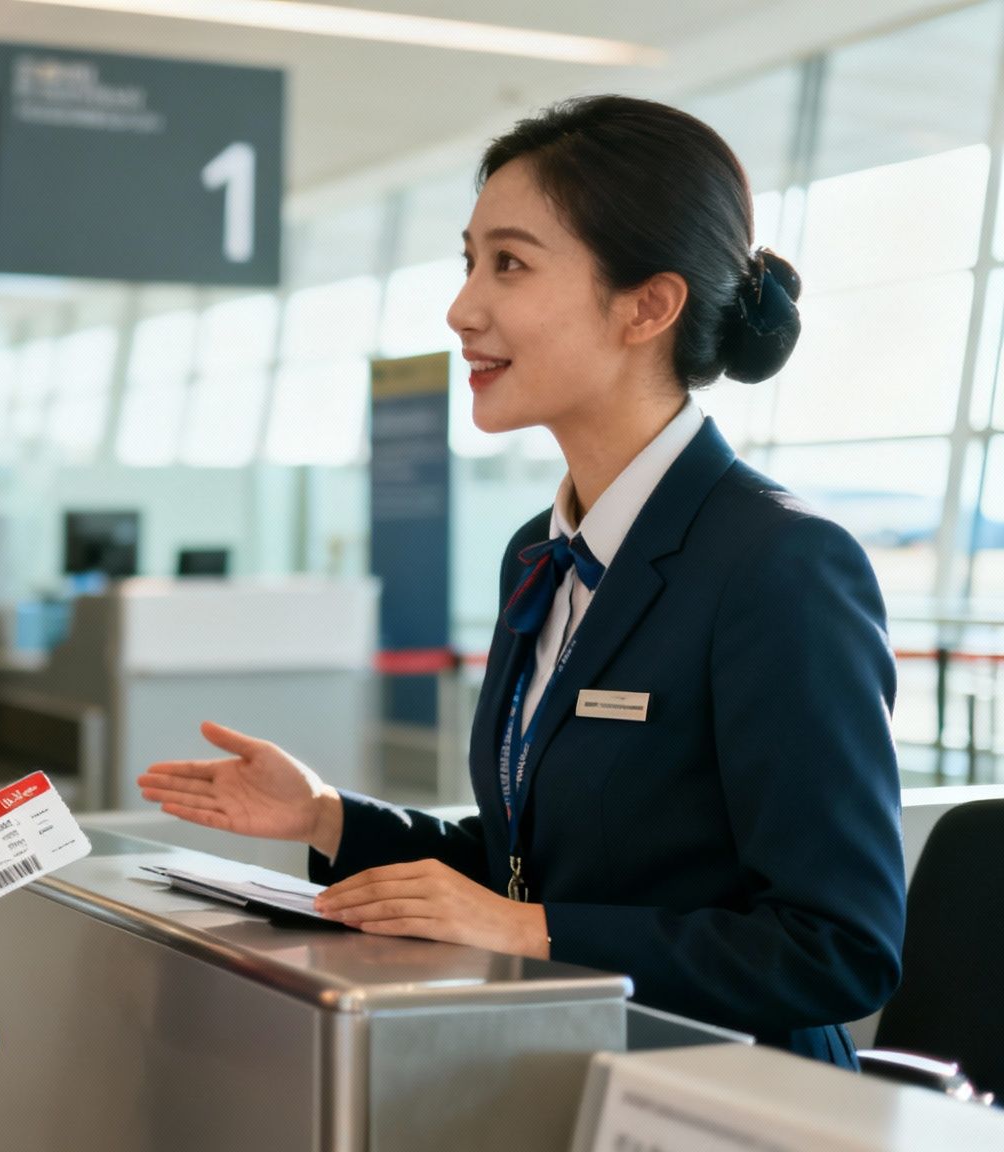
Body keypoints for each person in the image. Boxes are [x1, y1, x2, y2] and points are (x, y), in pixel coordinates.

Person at [140, 95, 904, 1067]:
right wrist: (325, 816)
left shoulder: (777, 564)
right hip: (549, 1064)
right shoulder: (537, 555)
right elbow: (533, 864)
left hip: (723, 1100)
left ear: (647, 305)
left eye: (508, 263)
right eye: (468, 262)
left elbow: (833, 950)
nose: (462, 309)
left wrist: (530, 932)